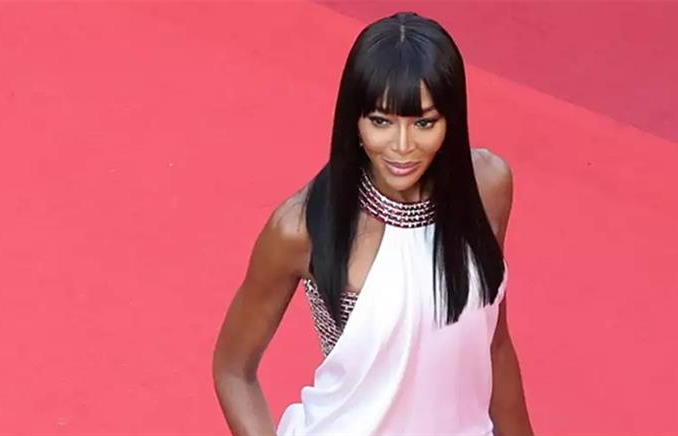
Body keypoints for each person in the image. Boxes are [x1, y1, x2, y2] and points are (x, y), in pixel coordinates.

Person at [212, 11, 534, 436]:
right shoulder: (301, 229)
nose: (402, 147)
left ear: (451, 120)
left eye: (424, 123)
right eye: (381, 121)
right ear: (355, 120)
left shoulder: (488, 187)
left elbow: (494, 342)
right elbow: (233, 370)